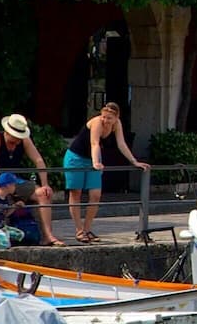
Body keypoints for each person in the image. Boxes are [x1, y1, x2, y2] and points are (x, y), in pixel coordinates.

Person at [62, 103, 150, 244]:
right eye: (103, 116)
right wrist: (96, 162)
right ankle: (79, 230)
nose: (105, 120)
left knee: (95, 194)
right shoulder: (97, 122)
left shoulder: (117, 124)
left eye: (109, 118)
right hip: (77, 157)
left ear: (116, 118)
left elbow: (121, 144)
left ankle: (87, 228)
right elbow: (94, 143)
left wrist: (134, 161)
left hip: (93, 157)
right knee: (75, 193)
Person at [0, 115, 61, 246]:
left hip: (14, 179)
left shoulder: (24, 140)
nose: (16, 143)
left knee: (43, 194)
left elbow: (38, 160)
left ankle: (48, 236)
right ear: (7, 132)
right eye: (13, 141)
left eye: (18, 141)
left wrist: (45, 184)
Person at [0, 173, 43, 248]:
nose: (15, 187)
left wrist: (15, 206)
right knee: (4, 244)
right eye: (13, 184)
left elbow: (5, 214)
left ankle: (1, 237)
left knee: (20, 235)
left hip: (1, 226)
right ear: (8, 185)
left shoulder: (6, 198)